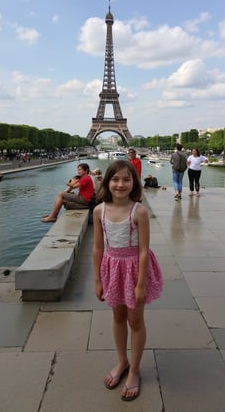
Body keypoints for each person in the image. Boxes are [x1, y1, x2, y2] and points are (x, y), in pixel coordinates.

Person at [92, 160, 163, 401]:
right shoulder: (99, 211)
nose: (120, 184)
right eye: (115, 179)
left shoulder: (139, 212)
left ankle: (134, 369)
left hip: (134, 271)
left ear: (134, 182)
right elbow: (98, 247)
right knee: (118, 316)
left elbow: (144, 250)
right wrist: (97, 279)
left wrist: (141, 284)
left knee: (135, 320)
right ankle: (122, 361)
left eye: (126, 179)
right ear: (106, 182)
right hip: (112, 269)